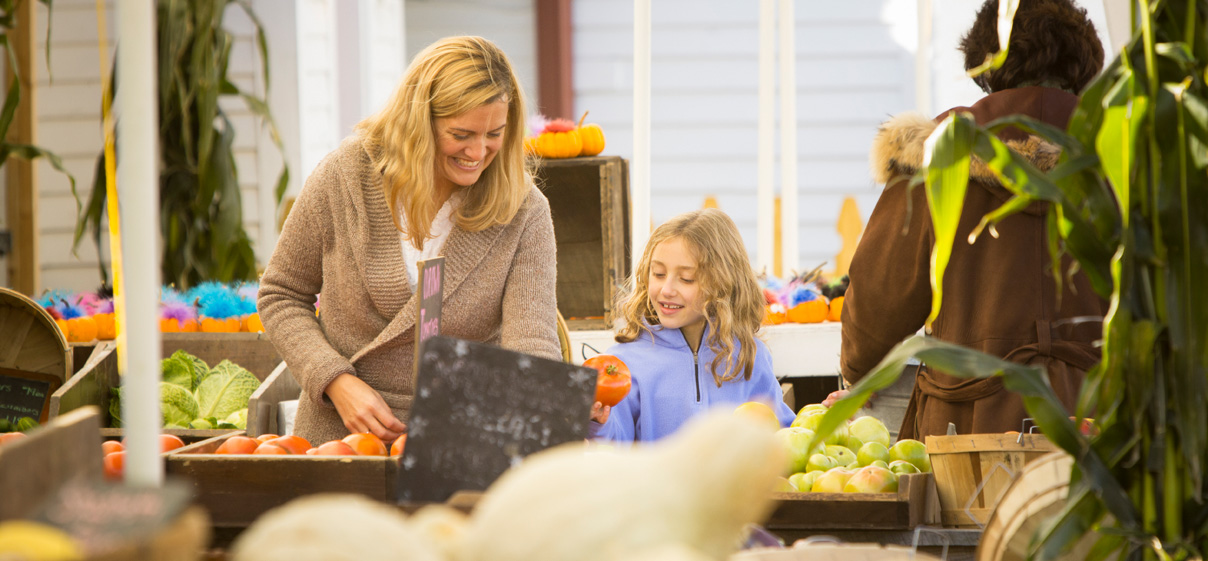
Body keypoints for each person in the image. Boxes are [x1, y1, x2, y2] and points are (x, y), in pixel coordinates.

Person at [258, 36, 561, 446]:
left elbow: (532, 344)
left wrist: (549, 401)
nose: (479, 150)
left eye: (496, 133)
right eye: (461, 134)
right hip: (340, 436)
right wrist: (335, 379)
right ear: (419, 121)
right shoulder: (344, 176)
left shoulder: (524, 210)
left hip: (458, 440)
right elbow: (281, 294)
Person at [829, 0, 1108, 439]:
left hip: (965, 433)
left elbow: (878, 303)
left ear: (984, 62)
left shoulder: (937, 152)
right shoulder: (1129, 156)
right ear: (1085, 64)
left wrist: (856, 371)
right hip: (1103, 425)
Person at [590, 209, 795, 442]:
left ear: (722, 283)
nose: (666, 289)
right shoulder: (625, 362)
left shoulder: (750, 355)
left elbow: (782, 435)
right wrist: (598, 422)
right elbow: (614, 449)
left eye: (686, 278)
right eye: (658, 274)